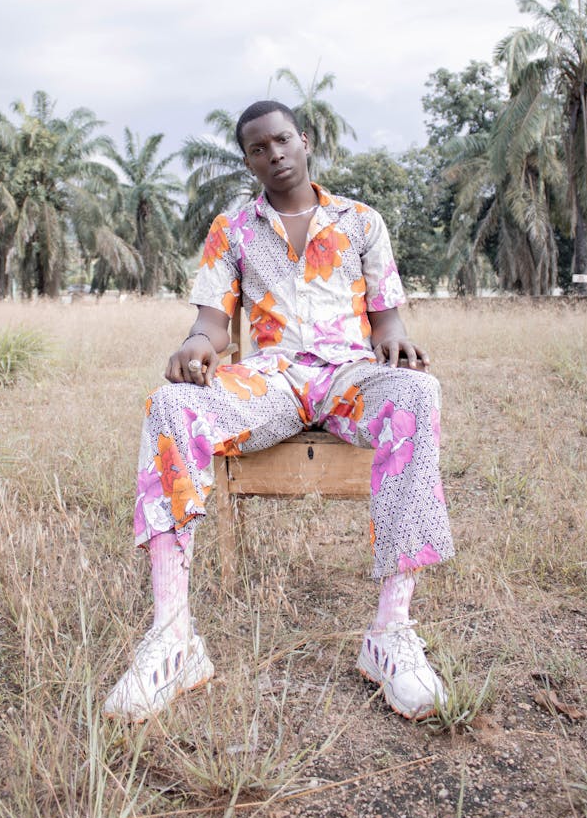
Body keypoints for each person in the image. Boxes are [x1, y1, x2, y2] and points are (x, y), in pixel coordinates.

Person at [104, 101, 454, 722]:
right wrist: (195, 347)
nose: (275, 155)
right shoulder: (232, 230)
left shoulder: (361, 222)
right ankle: (173, 638)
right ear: (248, 159)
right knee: (171, 405)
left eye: (283, 141)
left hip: (349, 373)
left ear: (306, 141)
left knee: (417, 395)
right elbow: (211, 326)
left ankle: (391, 634)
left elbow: (388, 318)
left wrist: (395, 345)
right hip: (272, 380)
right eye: (259, 149)